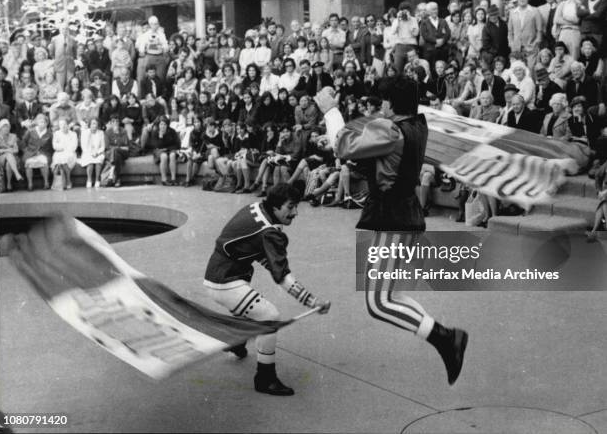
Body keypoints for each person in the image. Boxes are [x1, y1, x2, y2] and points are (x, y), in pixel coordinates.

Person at [315, 80, 468, 386]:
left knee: (378, 303)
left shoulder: (390, 129)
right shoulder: (416, 125)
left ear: (390, 105)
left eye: (383, 103)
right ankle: (443, 337)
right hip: (404, 215)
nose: (380, 109)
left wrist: (331, 111)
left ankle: (446, 338)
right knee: (391, 294)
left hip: (390, 218)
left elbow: (342, 147)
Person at [203, 183, 330, 395]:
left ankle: (237, 341)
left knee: (252, 308)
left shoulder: (257, 209)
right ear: (276, 207)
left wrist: (273, 263)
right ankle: (265, 378)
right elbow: (282, 277)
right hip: (225, 282)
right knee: (269, 316)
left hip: (220, 274)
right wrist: (312, 301)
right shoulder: (270, 232)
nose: (295, 212)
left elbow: (255, 250)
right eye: (290, 207)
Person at [507, 0, 542, 70]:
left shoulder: (535, 11)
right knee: (517, 71)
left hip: (530, 48)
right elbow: (510, 31)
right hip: (516, 49)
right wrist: (511, 44)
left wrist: (535, 45)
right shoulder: (512, 12)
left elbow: (539, 31)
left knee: (530, 70)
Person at [21, 113, 53, 190]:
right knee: (28, 163)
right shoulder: (30, 131)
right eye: (40, 122)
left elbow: (52, 146)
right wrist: (26, 151)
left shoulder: (50, 133)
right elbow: (23, 143)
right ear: (37, 123)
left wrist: (47, 153)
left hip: (44, 153)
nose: (42, 124)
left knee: (44, 162)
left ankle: (46, 183)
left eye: (44, 122)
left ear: (46, 123)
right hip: (30, 153)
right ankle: (30, 184)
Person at [152, 116, 180, 186]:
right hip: (158, 150)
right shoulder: (155, 132)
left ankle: (173, 179)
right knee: (164, 156)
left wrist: (167, 149)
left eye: (164, 124)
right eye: (161, 124)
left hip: (170, 149)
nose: (163, 126)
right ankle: (164, 179)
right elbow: (156, 146)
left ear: (167, 125)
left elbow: (177, 144)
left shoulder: (172, 131)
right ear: (158, 125)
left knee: (172, 155)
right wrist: (161, 137)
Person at [0, 119, 23, 192]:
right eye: (4, 127)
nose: (6, 129)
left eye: (8, 127)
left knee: (8, 163)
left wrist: (9, 151)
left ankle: (9, 184)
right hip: (1, 157)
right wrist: (7, 150)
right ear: (0, 128)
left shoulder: (13, 136)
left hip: (13, 158)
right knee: (8, 154)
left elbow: (16, 150)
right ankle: (17, 173)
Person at [51, 118, 78, 190]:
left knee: (65, 160)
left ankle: (68, 181)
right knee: (60, 160)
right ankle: (64, 182)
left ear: (68, 125)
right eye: (61, 125)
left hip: (70, 153)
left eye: (64, 124)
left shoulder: (73, 134)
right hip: (59, 152)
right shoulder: (56, 133)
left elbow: (74, 146)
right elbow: (55, 146)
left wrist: (65, 148)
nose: (63, 126)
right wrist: (62, 148)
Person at [80, 118, 105, 188]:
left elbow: (103, 146)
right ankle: (89, 180)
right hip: (87, 153)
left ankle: (97, 180)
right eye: (93, 123)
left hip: (98, 152)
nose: (94, 125)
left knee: (98, 161)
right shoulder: (85, 133)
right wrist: (91, 153)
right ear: (90, 125)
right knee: (90, 162)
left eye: (96, 123)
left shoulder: (101, 133)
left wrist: (97, 152)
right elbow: (83, 146)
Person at [104, 116, 130, 187]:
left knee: (115, 151)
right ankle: (118, 178)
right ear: (111, 123)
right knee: (116, 155)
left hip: (123, 152)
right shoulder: (107, 132)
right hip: (113, 153)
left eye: (117, 121)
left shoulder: (123, 131)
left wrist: (117, 135)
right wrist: (118, 147)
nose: (115, 123)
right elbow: (107, 146)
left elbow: (126, 147)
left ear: (119, 122)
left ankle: (111, 175)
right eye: (113, 121)